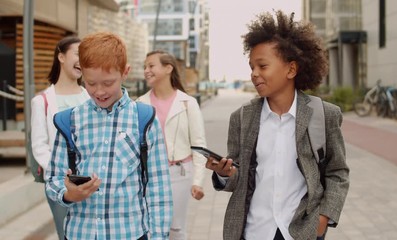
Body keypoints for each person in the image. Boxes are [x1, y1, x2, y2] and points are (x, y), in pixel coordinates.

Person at [205, 10, 350, 240]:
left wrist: (323, 219)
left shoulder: (324, 115)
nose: (254, 74)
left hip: (301, 231)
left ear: (291, 69)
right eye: (252, 66)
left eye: (262, 66)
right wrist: (225, 174)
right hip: (253, 231)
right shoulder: (241, 118)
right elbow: (238, 177)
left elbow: (337, 172)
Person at [45, 32, 173, 240]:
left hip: (129, 233)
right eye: (91, 83)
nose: (99, 91)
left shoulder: (144, 119)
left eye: (107, 83)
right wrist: (69, 194)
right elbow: (53, 180)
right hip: (80, 233)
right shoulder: (70, 121)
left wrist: (158, 236)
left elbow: (158, 188)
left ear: (125, 72)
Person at [137, 50, 207, 240]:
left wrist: (198, 181)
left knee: (175, 229)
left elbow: (199, 146)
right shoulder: (139, 104)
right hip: (148, 175)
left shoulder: (188, 103)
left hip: (179, 173)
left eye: (151, 66)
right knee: (148, 229)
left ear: (168, 68)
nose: (146, 71)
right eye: (145, 67)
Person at [31, 35, 90, 240]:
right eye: (77, 54)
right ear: (61, 57)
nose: (82, 60)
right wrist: (60, 171)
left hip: (90, 179)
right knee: (66, 234)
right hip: (59, 182)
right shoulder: (42, 101)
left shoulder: (90, 96)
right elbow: (39, 146)